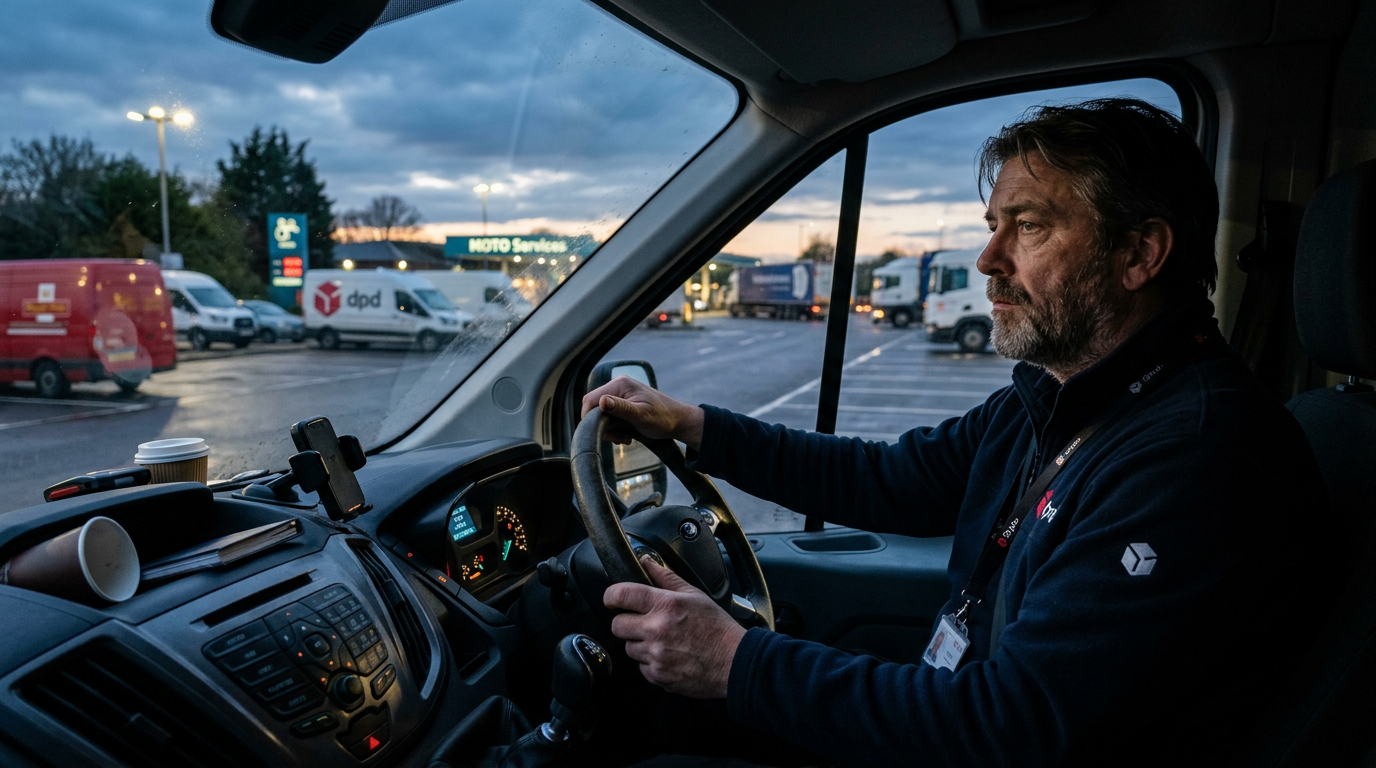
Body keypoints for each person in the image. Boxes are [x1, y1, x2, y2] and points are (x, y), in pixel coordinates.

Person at [582, 99, 1327, 766]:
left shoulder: (1197, 457)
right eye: (993, 226)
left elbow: (1015, 726)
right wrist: (692, 425)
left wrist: (736, 663)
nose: (988, 261)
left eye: (1029, 226)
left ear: (1140, 254)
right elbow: (891, 481)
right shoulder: (1060, 394)